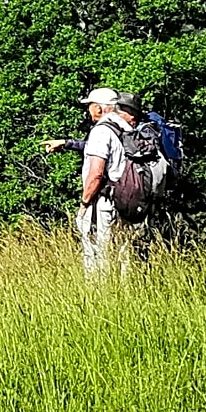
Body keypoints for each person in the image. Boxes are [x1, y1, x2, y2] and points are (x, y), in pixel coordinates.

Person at [74, 87, 134, 280]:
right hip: (126, 202)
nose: (88, 111)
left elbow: (97, 174)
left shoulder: (101, 131)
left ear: (99, 108)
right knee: (123, 255)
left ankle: (100, 294)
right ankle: (124, 294)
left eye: (89, 106)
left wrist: (84, 204)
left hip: (104, 203)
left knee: (100, 254)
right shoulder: (126, 128)